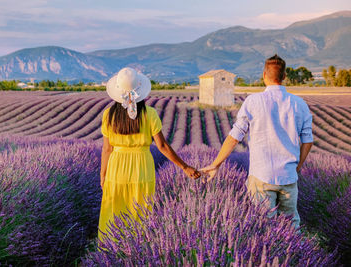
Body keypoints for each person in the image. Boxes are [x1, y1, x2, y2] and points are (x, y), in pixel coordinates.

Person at [201, 55, 313, 228]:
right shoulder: (299, 104)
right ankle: (294, 256)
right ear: (284, 77)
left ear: (264, 75)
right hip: (289, 176)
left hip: (261, 175)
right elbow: (308, 141)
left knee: (263, 227)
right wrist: (297, 167)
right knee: (291, 229)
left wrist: (216, 164)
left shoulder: (253, 101)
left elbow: (234, 136)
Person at [98, 67, 201, 240]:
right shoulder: (150, 114)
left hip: (116, 168)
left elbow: (107, 149)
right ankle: (139, 253)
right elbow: (162, 146)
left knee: (114, 211)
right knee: (140, 212)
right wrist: (185, 167)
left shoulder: (109, 114)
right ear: (139, 91)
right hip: (142, 167)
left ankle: (113, 253)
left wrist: (103, 174)